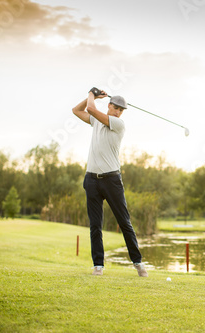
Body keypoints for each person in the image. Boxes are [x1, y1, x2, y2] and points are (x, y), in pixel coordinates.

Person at [72, 88, 148, 277]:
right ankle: (98, 266)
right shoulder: (96, 121)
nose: (118, 112)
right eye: (116, 108)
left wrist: (92, 94)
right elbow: (76, 110)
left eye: (121, 110)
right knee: (95, 225)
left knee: (124, 222)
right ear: (109, 106)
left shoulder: (118, 124)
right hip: (91, 180)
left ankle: (138, 262)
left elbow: (90, 109)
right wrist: (90, 96)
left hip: (111, 180)